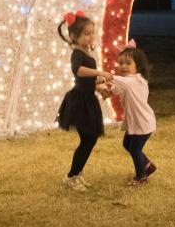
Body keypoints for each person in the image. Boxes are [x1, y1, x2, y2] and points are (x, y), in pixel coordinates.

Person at [56, 10, 113, 191]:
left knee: (90, 139)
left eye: (92, 33)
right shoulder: (77, 54)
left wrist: (101, 87)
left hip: (88, 100)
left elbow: (87, 80)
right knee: (87, 139)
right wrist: (99, 73)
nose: (90, 38)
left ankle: (77, 173)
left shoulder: (86, 52)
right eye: (86, 34)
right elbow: (78, 71)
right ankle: (71, 176)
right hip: (79, 103)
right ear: (73, 36)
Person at [102, 40, 157, 185]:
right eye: (120, 63)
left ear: (138, 66)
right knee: (127, 144)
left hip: (142, 122)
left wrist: (98, 77)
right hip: (138, 122)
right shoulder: (128, 82)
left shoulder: (136, 81)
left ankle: (141, 178)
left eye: (128, 63)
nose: (123, 67)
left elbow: (113, 80)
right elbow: (115, 90)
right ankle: (147, 166)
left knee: (135, 148)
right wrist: (105, 92)